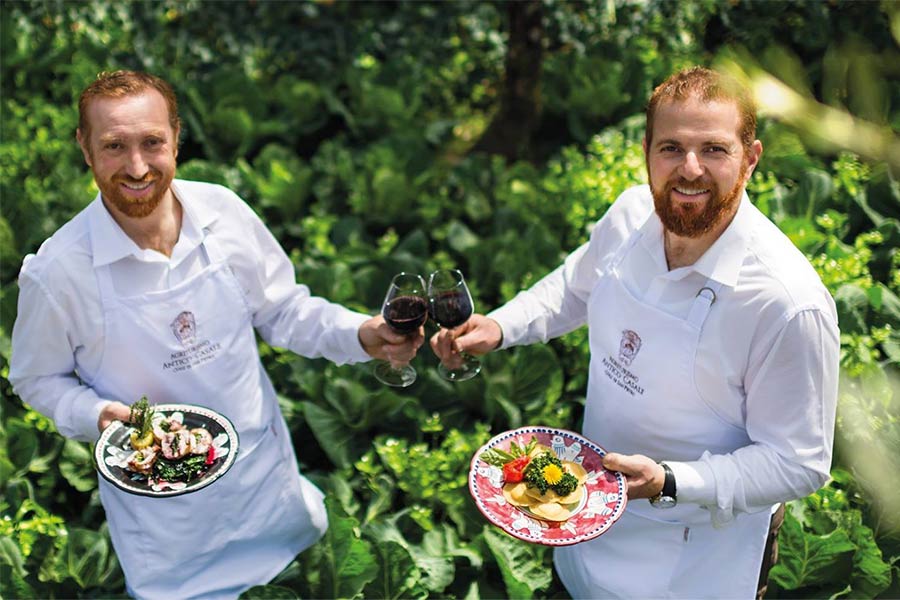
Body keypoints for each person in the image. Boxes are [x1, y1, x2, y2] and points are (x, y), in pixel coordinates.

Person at [8, 70, 422, 599]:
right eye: (114, 146)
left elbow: (285, 311)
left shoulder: (222, 211)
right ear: (85, 148)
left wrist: (362, 334)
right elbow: (36, 378)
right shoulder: (58, 272)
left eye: (152, 142)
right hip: (170, 536)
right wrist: (94, 415)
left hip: (268, 491)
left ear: (177, 138)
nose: (136, 167)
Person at [432, 66, 839, 598]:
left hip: (695, 559)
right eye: (671, 148)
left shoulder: (787, 303)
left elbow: (799, 462)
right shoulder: (629, 214)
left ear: (751, 158)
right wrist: (501, 325)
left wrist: (672, 481)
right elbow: (574, 289)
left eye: (713, 149)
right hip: (583, 515)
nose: (689, 169)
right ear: (647, 150)